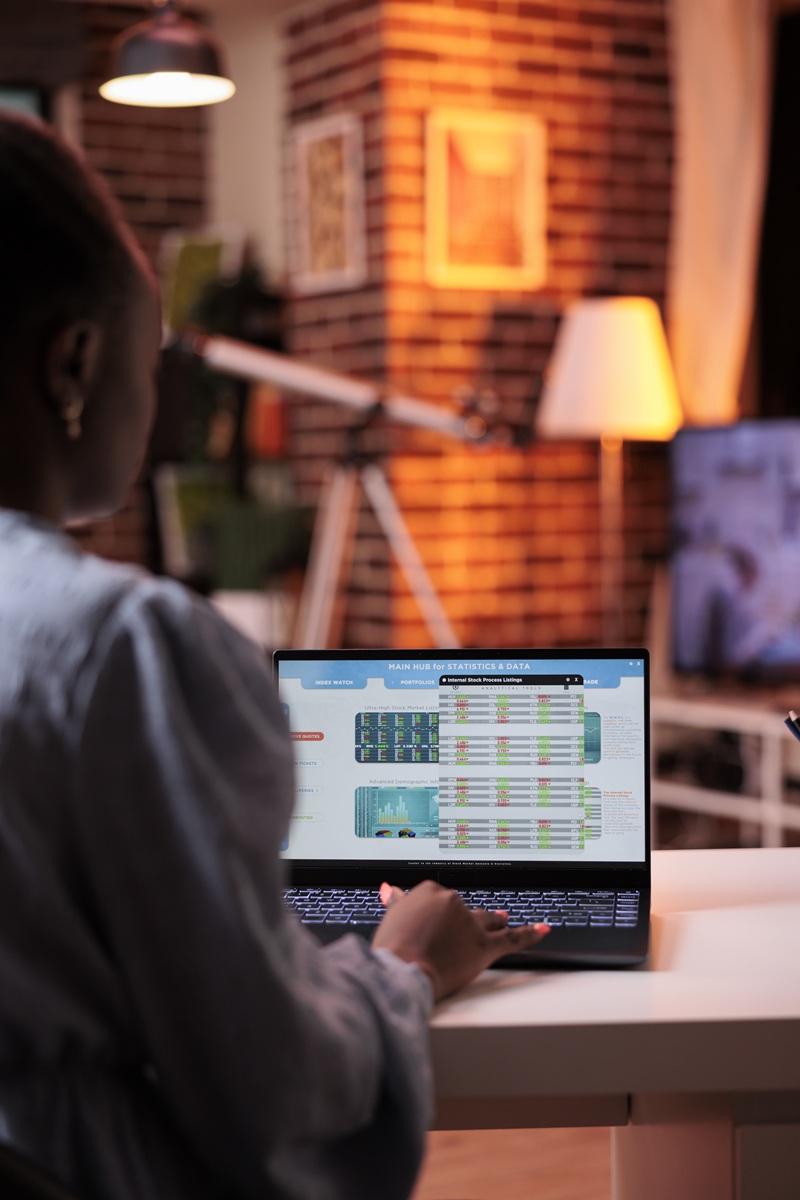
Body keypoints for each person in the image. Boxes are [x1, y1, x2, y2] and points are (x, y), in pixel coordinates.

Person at [0, 112, 547, 1200]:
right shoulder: (119, 648)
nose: (161, 405)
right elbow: (269, 1086)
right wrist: (401, 965)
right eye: (152, 359)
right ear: (74, 360)